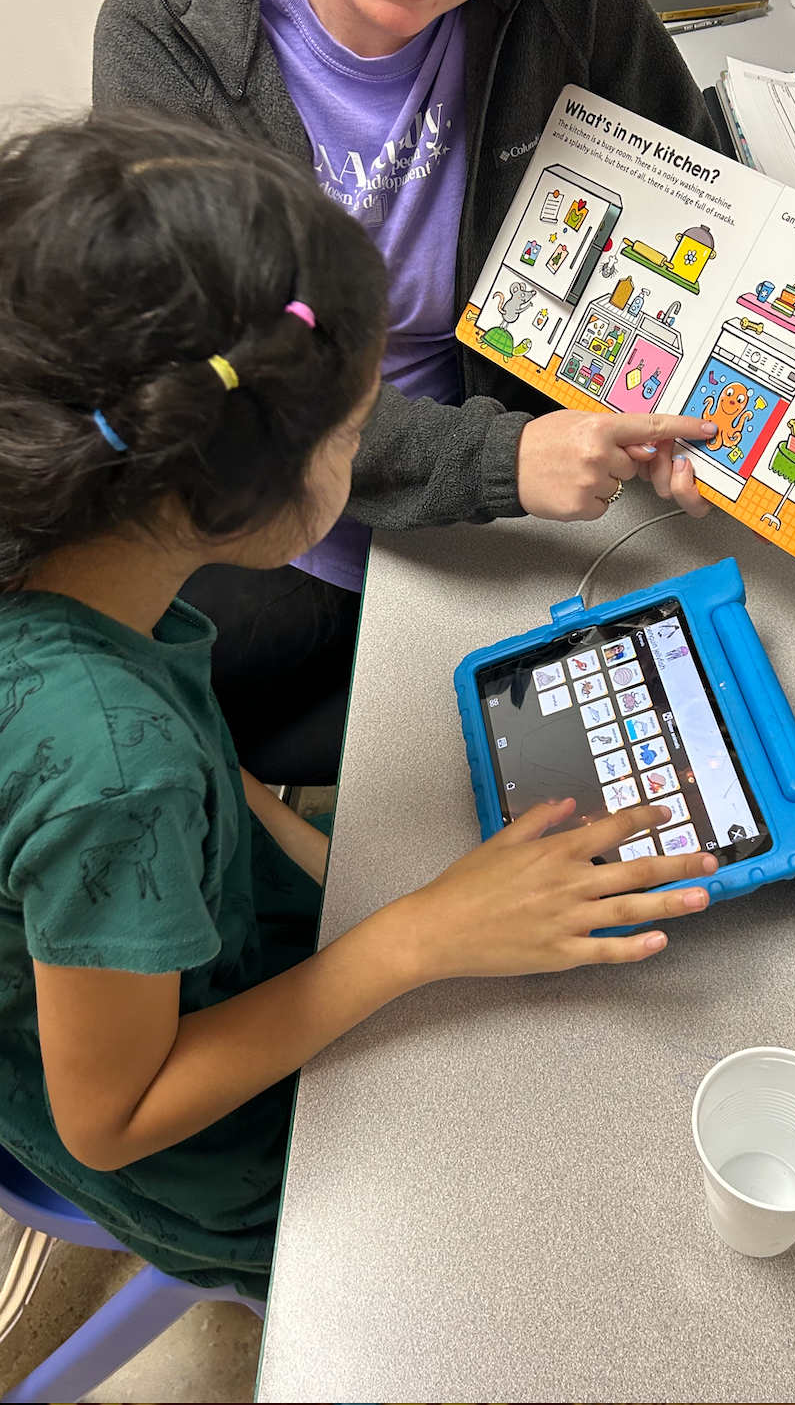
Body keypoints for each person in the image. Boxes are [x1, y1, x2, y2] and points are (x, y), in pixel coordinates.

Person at [0, 114, 717, 1299]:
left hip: (191, 951)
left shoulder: (76, 547)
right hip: (215, 1158)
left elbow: (200, 766)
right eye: (352, 435)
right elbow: (115, 1118)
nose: (365, 453)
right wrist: (414, 936)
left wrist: (361, 886)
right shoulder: (110, 769)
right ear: (233, 503)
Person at [93, 0, 723, 786]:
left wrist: (696, 404)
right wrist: (502, 461)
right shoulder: (164, 34)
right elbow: (240, 388)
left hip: (535, 501)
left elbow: (701, 198)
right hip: (296, 501)